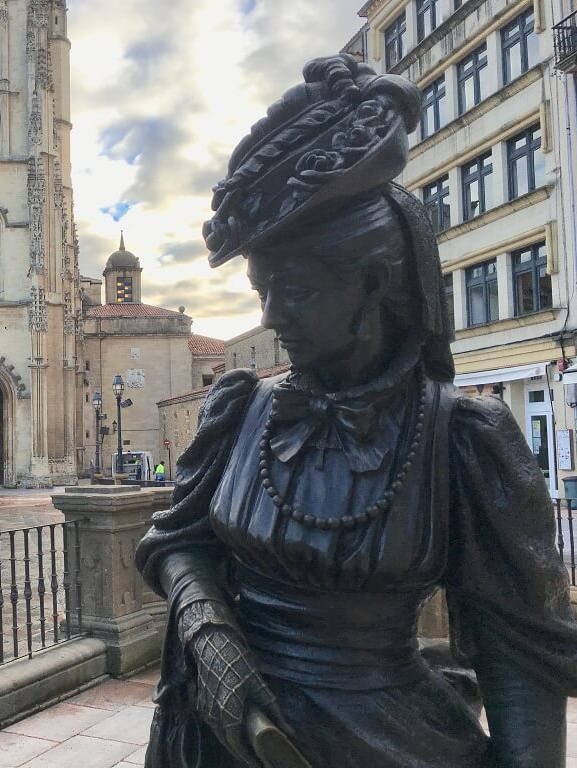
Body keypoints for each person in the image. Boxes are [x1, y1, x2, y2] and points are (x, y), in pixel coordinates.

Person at [136, 54, 577, 768]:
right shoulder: (242, 410)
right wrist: (210, 634)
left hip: (387, 743)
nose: (275, 317)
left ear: (373, 284)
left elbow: (520, 659)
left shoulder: (463, 438)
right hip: (224, 736)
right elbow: (175, 540)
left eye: (296, 291)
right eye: (263, 293)